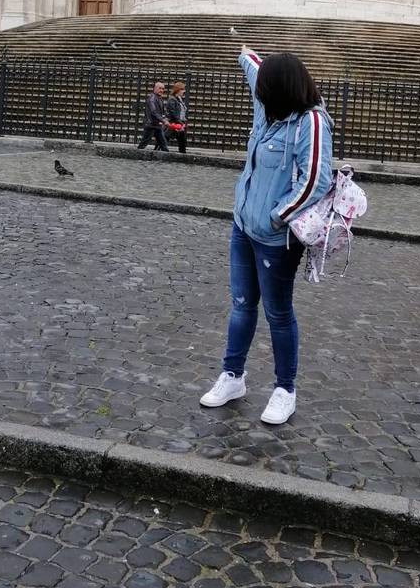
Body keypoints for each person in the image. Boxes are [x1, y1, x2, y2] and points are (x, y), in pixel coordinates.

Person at [200, 46, 333, 425]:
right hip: (242, 227)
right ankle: (233, 376)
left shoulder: (311, 122)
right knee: (241, 304)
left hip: (276, 238)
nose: (259, 96)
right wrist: (242, 50)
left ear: (283, 90)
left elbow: (315, 181)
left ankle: (284, 389)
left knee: (277, 313)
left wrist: (279, 217)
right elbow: (254, 69)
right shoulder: (268, 110)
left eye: (265, 90)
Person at [137, 81, 170, 152]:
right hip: (151, 125)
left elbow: (162, 112)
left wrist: (165, 118)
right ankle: (136, 155)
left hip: (157, 125)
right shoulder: (152, 99)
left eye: (163, 89)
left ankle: (166, 157)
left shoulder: (160, 99)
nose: (161, 90)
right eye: (160, 88)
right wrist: (163, 120)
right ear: (155, 88)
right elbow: (154, 112)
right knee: (144, 143)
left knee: (163, 144)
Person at [166, 81, 188, 154]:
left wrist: (183, 122)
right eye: (182, 89)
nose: (184, 91)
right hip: (174, 123)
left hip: (179, 123)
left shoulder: (179, 99)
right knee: (166, 138)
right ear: (178, 90)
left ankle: (183, 153)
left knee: (182, 140)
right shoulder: (172, 99)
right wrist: (181, 123)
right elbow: (173, 114)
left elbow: (181, 112)